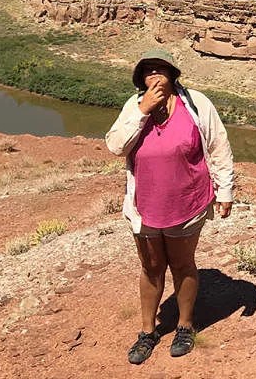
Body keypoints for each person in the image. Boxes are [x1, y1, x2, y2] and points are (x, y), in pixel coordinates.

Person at [106, 49, 234, 364]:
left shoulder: (196, 103)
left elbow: (218, 145)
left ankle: (185, 326)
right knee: (151, 268)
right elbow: (116, 146)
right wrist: (143, 110)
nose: (155, 75)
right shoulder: (134, 105)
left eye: (160, 69)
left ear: (172, 75)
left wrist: (225, 190)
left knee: (182, 264)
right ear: (141, 78)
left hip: (188, 202)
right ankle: (148, 332)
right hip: (145, 205)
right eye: (148, 70)